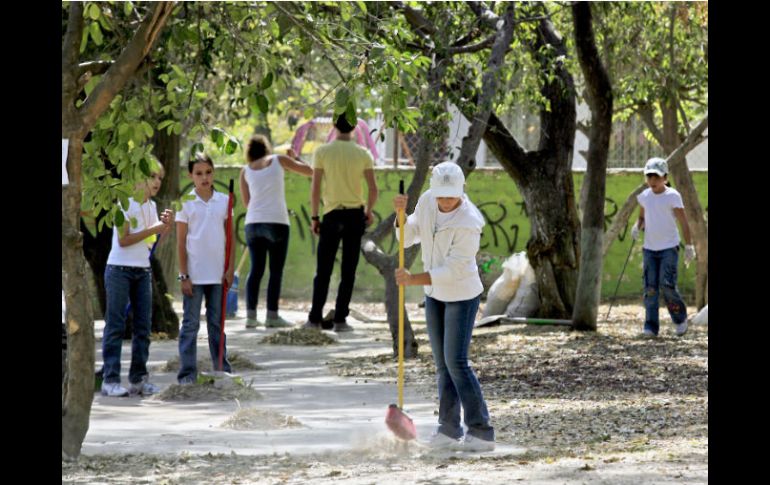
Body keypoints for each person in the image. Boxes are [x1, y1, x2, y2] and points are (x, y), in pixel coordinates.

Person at [393, 161, 495, 451]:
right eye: (441, 195)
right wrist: (400, 217)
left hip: (461, 294)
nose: (446, 201)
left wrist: (413, 280)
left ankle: (481, 431)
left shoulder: (469, 221)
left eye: (451, 196)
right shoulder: (427, 202)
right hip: (434, 293)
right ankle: (448, 430)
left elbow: (453, 270)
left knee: (457, 363)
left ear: (462, 191)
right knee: (442, 366)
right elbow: (407, 236)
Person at [101, 161, 174, 397]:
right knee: (116, 326)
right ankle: (110, 380)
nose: (156, 182)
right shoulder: (124, 203)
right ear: (136, 177)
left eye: (160, 178)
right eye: (152, 176)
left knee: (143, 328)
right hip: (119, 270)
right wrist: (154, 229)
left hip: (142, 271)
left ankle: (138, 380)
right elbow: (123, 240)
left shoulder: (152, 206)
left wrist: (164, 228)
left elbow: (150, 243)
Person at [303, 112, 378, 332]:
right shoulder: (363, 153)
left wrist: (315, 216)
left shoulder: (322, 152)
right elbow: (373, 189)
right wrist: (369, 211)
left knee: (323, 270)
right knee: (349, 270)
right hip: (355, 215)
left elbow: (315, 188)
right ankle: (340, 320)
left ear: (334, 125)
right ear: (355, 126)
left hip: (332, 214)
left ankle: (314, 319)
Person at [239, 134, 312, 328]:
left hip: (253, 223)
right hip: (277, 222)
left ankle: (251, 317)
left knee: (256, 270)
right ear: (267, 148)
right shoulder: (279, 160)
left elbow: (247, 203)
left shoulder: (244, 171)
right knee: (275, 271)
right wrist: (296, 157)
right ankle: (272, 316)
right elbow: (310, 171)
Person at [176, 153, 235, 384]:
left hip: (218, 274)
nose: (204, 178)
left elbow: (230, 237)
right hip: (195, 274)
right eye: (199, 173)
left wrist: (230, 269)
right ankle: (187, 375)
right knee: (190, 325)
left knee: (217, 325)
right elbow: (181, 242)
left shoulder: (224, 201)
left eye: (208, 172)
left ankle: (221, 369)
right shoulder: (185, 202)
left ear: (214, 173)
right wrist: (184, 275)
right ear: (190, 175)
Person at [631, 157, 696, 337]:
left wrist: (689, 245)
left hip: (669, 247)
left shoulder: (672, 196)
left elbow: (683, 222)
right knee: (650, 288)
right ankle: (651, 327)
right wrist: (637, 227)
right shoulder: (644, 197)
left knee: (667, 286)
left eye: (656, 177)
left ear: (665, 177)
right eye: (649, 176)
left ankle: (680, 319)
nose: (652, 180)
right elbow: (642, 217)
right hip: (650, 249)